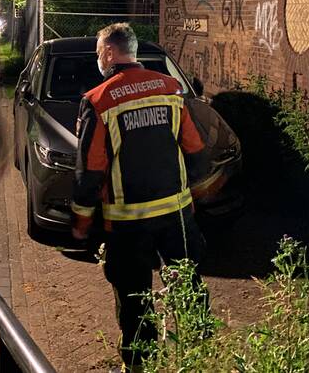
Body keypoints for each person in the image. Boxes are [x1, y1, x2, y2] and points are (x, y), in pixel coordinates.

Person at [72, 23, 209, 370]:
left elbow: (90, 170)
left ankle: (138, 365)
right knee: (188, 287)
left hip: (128, 223)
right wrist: (191, 192)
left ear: (108, 53)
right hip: (176, 215)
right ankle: (200, 356)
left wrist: (82, 220)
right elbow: (194, 148)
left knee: (135, 299)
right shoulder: (170, 89)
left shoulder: (98, 99)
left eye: (98, 53)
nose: (98, 59)